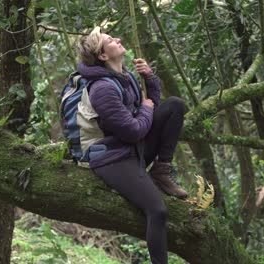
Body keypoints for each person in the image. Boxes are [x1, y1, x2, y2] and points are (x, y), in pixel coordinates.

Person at [76, 27, 188, 264]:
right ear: (103, 56)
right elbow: (133, 130)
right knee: (157, 211)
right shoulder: (103, 89)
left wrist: (149, 78)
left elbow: (151, 108)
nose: (117, 39)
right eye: (109, 40)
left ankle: (161, 170)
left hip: (131, 146)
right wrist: (146, 109)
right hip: (112, 157)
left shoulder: (124, 77)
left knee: (175, 106)